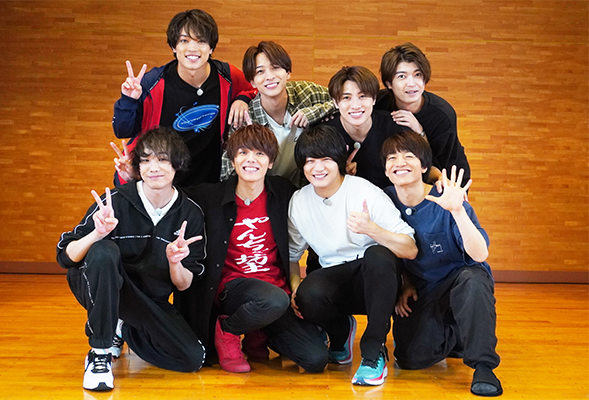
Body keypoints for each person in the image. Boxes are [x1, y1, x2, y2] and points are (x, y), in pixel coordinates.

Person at [56, 127, 207, 391]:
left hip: (148, 301)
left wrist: (175, 262)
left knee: (192, 358)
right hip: (105, 287)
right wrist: (96, 234)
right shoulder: (115, 201)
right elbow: (65, 256)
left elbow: (183, 284)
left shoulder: (190, 213)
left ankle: (123, 328)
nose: (153, 167)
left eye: (162, 159)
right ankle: (100, 352)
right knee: (103, 251)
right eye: (145, 160)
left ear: (177, 163)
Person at [172, 124, 328, 374]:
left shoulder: (284, 193)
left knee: (315, 358)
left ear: (270, 162)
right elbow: (168, 195)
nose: (250, 160)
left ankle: (259, 329)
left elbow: (318, 192)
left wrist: (342, 174)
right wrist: (131, 176)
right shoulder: (211, 197)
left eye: (259, 154)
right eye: (243, 152)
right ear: (233, 160)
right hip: (233, 288)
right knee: (272, 299)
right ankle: (228, 330)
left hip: (276, 293)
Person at [288, 125, 417, 386]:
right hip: (335, 278)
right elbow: (292, 255)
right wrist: (294, 286)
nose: (318, 168)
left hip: (375, 279)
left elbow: (410, 248)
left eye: (325, 159)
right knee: (307, 295)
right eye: (310, 161)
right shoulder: (299, 201)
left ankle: (373, 352)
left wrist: (372, 229)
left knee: (378, 255)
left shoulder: (365, 191)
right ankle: (341, 333)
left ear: (339, 161)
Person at [381, 130, 502, 397]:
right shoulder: (384, 201)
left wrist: (457, 211)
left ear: (424, 166)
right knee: (411, 358)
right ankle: (456, 334)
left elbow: (480, 254)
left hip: (460, 279)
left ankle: (483, 366)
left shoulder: (446, 197)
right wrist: (404, 282)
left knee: (473, 279)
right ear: (387, 171)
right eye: (392, 158)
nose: (400, 162)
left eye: (409, 156)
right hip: (423, 289)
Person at [112, 9, 256, 187]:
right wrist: (128, 100)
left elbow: (254, 90)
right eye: (184, 41)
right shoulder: (152, 83)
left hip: (208, 181)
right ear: (174, 47)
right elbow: (122, 130)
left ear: (211, 48)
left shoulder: (228, 75)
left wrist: (242, 99)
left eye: (201, 41)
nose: (192, 48)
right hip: (160, 179)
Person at [229, 41, 336, 186]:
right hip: (267, 190)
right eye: (260, 71)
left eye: (275, 68)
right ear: (252, 82)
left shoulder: (306, 92)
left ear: (288, 72)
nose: (269, 76)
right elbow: (228, 168)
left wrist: (313, 113)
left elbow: (344, 102)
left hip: (310, 185)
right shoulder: (246, 117)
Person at [376, 42, 471, 184]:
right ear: (389, 83)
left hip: (445, 176)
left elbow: (438, 162)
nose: (411, 83)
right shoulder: (379, 103)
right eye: (402, 76)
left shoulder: (442, 115)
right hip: (401, 174)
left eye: (417, 75)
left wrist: (420, 132)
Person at [323, 66, 406, 189]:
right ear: (335, 102)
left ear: (374, 99)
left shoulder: (395, 127)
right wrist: (338, 177)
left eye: (362, 96)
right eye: (346, 98)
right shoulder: (324, 135)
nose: (355, 105)